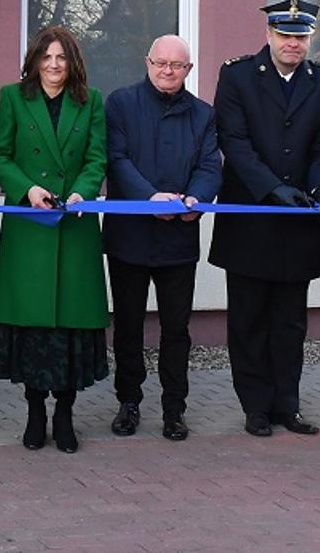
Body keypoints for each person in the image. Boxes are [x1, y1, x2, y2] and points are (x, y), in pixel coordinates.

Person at [209, 0, 320, 438]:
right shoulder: (237, 75)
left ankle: (288, 404)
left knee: (290, 321)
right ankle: (256, 407)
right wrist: (271, 187)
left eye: (301, 36)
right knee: (248, 319)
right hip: (251, 219)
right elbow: (234, 140)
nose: (293, 44)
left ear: (310, 39)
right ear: (269, 35)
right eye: (285, 35)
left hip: (299, 222)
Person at [0, 26, 109, 454]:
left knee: (71, 328)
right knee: (33, 330)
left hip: (73, 228)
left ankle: (65, 414)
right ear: (35, 60)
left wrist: (81, 193)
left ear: (72, 62)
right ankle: (35, 412)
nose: (54, 66)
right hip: (29, 230)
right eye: (46, 57)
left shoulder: (90, 101)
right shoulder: (14, 97)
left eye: (61, 58)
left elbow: (97, 158)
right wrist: (27, 190)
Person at [101, 34, 220, 442]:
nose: (167, 71)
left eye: (177, 65)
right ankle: (128, 402)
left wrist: (196, 198)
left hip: (179, 238)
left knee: (176, 329)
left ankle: (174, 408)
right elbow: (116, 161)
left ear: (188, 70)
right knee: (128, 326)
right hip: (129, 238)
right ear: (147, 62)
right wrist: (149, 198)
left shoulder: (203, 115)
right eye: (160, 63)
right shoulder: (120, 104)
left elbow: (210, 166)